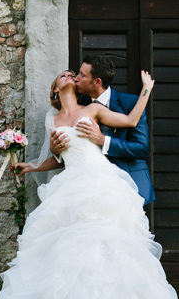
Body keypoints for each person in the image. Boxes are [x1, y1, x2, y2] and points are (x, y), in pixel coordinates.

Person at [0, 69, 179, 299]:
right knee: (63, 253)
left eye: (73, 74)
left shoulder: (93, 109)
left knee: (98, 249)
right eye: (63, 75)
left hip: (100, 182)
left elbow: (131, 121)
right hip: (70, 186)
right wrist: (32, 166)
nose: (69, 75)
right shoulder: (51, 120)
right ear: (55, 89)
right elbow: (58, 159)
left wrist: (146, 89)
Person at [50, 54, 155, 205]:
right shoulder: (80, 104)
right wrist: (56, 151)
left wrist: (102, 140)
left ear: (97, 82)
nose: (75, 78)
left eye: (82, 75)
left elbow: (142, 149)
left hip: (129, 183)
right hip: (86, 186)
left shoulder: (131, 104)